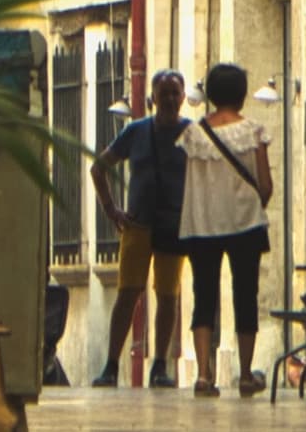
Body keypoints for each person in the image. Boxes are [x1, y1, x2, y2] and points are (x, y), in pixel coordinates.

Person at [178, 60, 276, 398]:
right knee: (245, 296)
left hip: (202, 223)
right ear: (242, 95)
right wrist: (251, 203)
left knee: (203, 298)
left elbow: (186, 182)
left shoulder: (193, 134)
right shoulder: (253, 132)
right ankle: (246, 374)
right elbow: (265, 184)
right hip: (245, 224)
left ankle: (204, 375)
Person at [89, 70, 193, 388]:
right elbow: (99, 167)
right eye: (164, 93)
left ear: (184, 97)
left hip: (174, 225)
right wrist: (110, 209)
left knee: (167, 295)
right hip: (137, 225)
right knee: (127, 294)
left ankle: (160, 365)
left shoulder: (193, 134)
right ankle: (110, 366)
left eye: (175, 93)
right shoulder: (136, 132)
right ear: (152, 97)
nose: (170, 99)